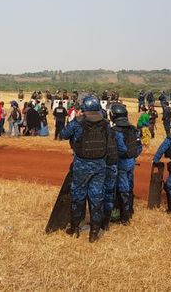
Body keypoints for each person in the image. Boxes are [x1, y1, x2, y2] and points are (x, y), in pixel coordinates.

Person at [61, 96, 109, 242]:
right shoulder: (105, 123)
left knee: (78, 197)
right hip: (100, 165)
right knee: (96, 198)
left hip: (82, 164)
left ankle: (74, 228)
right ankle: (94, 233)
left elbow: (63, 135)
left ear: (84, 109)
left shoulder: (78, 123)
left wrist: (75, 119)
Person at [109, 103, 141, 226]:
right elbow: (139, 147)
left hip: (120, 163)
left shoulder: (115, 131)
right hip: (131, 162)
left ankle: (124, 217)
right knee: (129, 186)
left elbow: (121, 149)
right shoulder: (133, 129)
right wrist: (132, 156)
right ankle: (129, 211)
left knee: (122, 190)